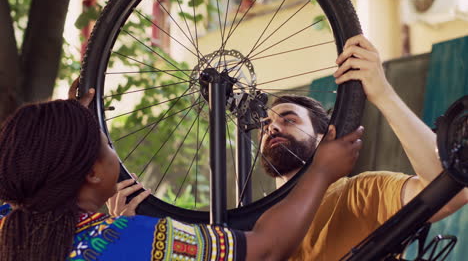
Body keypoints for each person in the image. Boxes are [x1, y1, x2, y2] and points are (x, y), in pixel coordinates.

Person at [0, 98, 363, 260]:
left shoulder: (8, 224)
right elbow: (266, 250)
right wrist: (321, 171)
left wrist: (62, 132)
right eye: (107, 144)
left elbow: (28, 164)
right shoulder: (137, 241)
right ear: (92, 173)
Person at [257, 34, 468, 260]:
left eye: (289, 120)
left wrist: (382, 93)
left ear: (323, 137)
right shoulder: (255, 223)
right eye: (265, 125)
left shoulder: (360, 193)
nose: (273, 128)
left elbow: (449, 192)